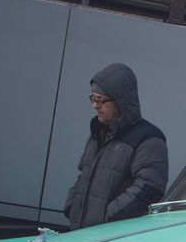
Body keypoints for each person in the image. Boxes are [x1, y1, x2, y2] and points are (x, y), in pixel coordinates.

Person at [64, 63, 168, 229]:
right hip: (79, 234)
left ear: (121, 100)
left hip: (111, 240)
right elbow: (83, 174)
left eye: (101, 100)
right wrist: (72, 206)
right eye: (93, 98)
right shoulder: (98, 133)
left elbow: (150, 189)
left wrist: (106, 218)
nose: (95, 105)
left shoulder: (149, 138)